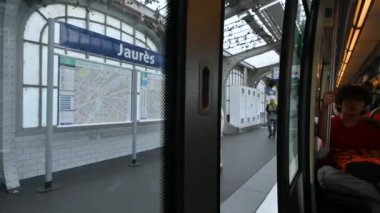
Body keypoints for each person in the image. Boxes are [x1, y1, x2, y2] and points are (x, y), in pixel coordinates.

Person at [317, 84, 380, 205]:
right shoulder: (331, 125)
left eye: (359, 101)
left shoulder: (370, 130)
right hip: (339, 173)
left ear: (363, 105)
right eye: (350, 100)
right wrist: (324, 107)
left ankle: (372, 195)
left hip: (363, 172)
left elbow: (376, 157)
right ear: (340, 103)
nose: (354, 104)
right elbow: (321, 134)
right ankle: (374, 194)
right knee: (325, 175)